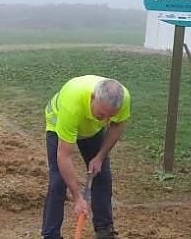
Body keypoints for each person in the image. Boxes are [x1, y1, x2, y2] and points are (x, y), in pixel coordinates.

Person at [41, 75, 130, 239]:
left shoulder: (123, 98)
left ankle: (104, 231)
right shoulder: (72, 103)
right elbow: (64, 156)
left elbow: (117, 125)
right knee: (58, 180)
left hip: (91, 129)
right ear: (92, 98)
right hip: (58, 123)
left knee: (102, 175)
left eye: (110, 116)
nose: (106, 120)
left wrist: (100, 157)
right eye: (102, 114)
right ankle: (50, 234)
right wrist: (77, 198)